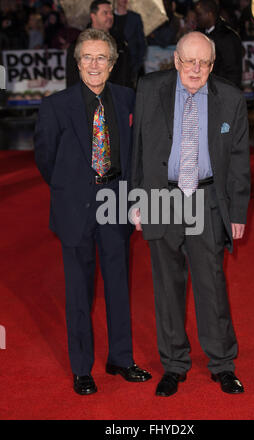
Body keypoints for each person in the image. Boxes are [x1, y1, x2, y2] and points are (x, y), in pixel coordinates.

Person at [132, 31, 250, 397]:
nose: (196, 69)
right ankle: (175, 365)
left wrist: (238, 209)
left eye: (204, 63)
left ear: (212, 65)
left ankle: (222, 365)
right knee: (167, 286)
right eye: (189, 61)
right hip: (162, 199)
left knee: (211, 284)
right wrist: (136, 201)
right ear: (176, 60)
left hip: (207, 200)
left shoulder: (230, 98)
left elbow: (239, 160)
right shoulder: (150, 89)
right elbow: (138, 150)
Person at [35, 28, 151, 395]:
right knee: (78, 293)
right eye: (88, 57)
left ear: (113, 64)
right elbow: (45, 158)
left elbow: (137, 152)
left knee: (119, 286)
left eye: (102, 57)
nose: (95, 64)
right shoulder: (56, 105)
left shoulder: (128, 99)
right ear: (77, 62)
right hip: (76, 209)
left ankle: (120, 358)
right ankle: (82, 368)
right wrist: (73, 189)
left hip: (115, 203)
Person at [66, 0, 132, 88]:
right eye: (105, 13)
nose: (110, 16)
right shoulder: (79, 44)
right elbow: (72, 77)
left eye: (111, 13)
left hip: (117, 97)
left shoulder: (120, 43)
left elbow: (126, 75)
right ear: (93, 16)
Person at [195, 0, 243, 88]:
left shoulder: (227, 36)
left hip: (221, 90)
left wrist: (229, 93)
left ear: (209, 14)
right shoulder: (198, 34)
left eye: (199, 15)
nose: (196, 19)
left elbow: (233, 71)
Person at [112, 0, 146, 84]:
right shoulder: (109, 16)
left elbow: (142, 43)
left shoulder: (135, 17)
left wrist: (137, 65)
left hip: (130, 63)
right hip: (113, 64)